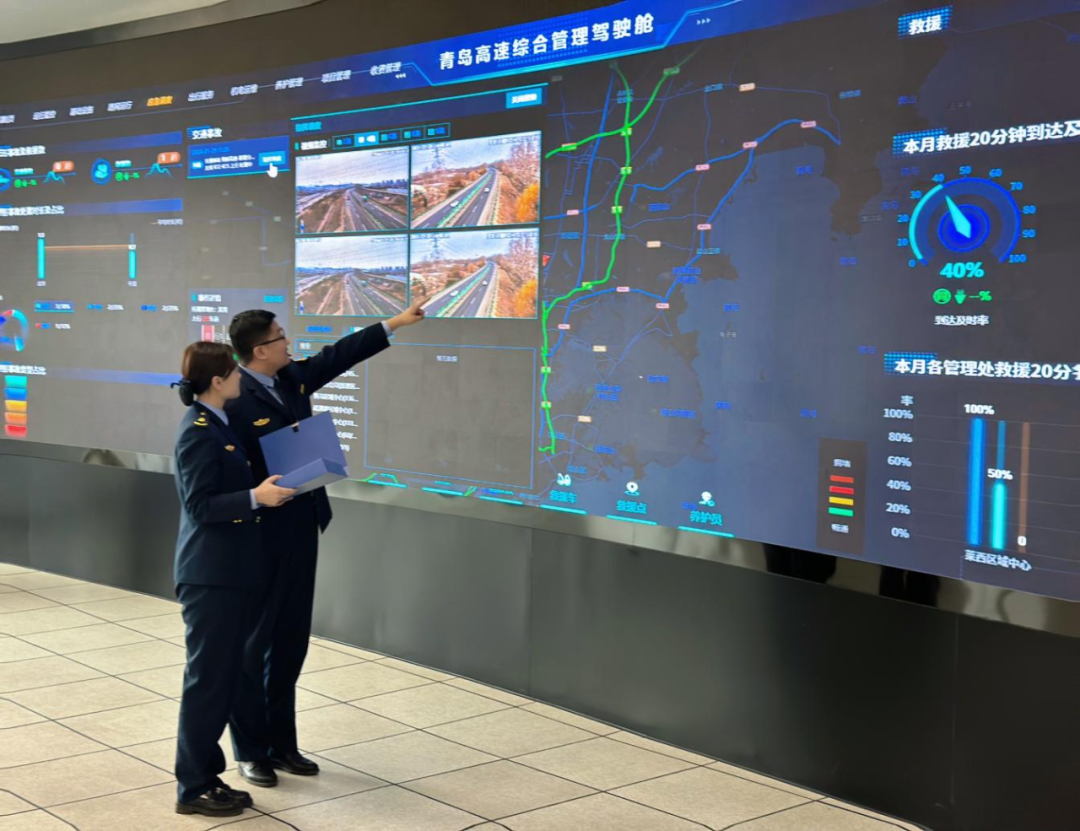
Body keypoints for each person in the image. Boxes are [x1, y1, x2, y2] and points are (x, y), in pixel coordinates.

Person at [226, 302, 424, 787]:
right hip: (258, 533)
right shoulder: (233, 398)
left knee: (290, 640)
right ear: (259, 350)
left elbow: (340, 355)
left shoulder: (291, 378)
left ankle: (282, 743)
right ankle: (250, 750)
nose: (288, 343)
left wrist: (396, 323)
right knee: (253, 644)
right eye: (280, 337)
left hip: (301, 524)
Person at [171, 342, 295, 816]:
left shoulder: (219, 422)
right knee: (208, 682)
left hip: (232, 572)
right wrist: (255, 498)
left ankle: (208, 777)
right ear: (218, 381)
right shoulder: (198, 432)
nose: (242, 377)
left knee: (221, 680)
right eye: (234, 372)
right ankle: (192, 787)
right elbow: (199, 505)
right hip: (210, 576)